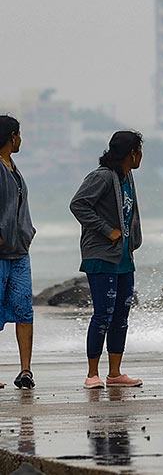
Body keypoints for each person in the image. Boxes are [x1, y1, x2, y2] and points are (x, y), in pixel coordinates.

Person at [70, 130, 144, 389]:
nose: (141, 156)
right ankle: (92, 374)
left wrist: (130, 240)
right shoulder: (101, 177)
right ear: (132, 153)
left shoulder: (127, 176)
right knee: (103, 314)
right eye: (139, 151)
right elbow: (78, 205)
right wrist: (107, 230)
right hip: (101, 257)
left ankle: (115, 373)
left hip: (124, 257)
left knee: (121, 315)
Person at [0, 115, 36, 389]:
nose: (21, 139)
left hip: (19, 252)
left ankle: (25, 371)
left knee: (24, 311)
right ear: (11, 136)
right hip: (1, 254)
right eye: (19, 134)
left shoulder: (12, 167)